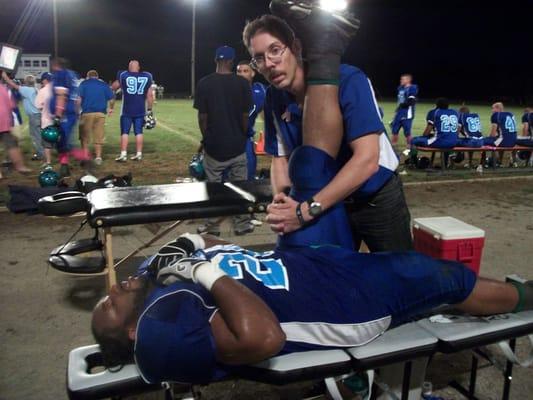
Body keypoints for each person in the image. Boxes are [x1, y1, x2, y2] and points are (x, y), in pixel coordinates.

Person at [91, 232, 533, 384]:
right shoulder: (161, 330)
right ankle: (526, 297)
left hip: (307, 269)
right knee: (444, 279)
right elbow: (263, 337)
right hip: (342, 305)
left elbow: (202, 242)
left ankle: (509, 291)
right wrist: (198, 271)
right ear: (130, 332)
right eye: (109, 307)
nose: (112, 291)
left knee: (424, 272)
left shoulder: (152, 283)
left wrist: (187, 251)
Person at [243, 7, 412, 252]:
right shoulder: (273, 97)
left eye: (275, 50)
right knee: (334, 277)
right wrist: (283, 199)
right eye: (259, 57)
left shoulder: (349, 79)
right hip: (325, 202)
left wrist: (304, 211)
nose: (268, 63)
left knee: (399, 276)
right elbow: (279, 158)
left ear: (297, 47)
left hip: (374, 197)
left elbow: (367, 161)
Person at [193, 46, 253, 236]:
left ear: (215, 60)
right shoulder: (243, 84)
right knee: (240, 188)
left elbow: (202, 117)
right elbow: (245, 116)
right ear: (231, 61)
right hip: (237, 144)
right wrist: (243, 133)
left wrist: (206, 137)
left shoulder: (204, 83)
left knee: (213, 189)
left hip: (214, 145)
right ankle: (241, 224)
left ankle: (213, 226)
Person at [49, 57, 84, 178]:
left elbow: (61, 95)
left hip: (64, 114)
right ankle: (65, 166)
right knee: (64, 142)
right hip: (71, 113)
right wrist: (77, 111)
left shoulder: (61, 74)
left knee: (63, 142)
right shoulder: (72, 75)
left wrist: (58, 115)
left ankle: (85, 159)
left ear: (56, 65)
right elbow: (78, 97)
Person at [112, 60, 154, 162]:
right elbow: (150, 95)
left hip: (127, 109)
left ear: (129, 67)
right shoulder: (147, 76)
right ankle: (139, 154)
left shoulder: (123, 75)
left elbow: (114, 87)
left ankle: (123, 154)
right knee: (139, 132)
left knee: (125, 132)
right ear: (139, 67)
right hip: (140, 109)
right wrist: (149, 110)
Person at [1, 72, 44, 161]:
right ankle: (42, 152)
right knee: (38, 135)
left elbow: (14, 85)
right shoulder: (35, 89)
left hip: (34, 116)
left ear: (26, 82)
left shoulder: (26, 90)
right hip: (38, 114)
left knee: (35, 136)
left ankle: (41, 154)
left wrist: (5, 77)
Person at [236, 60, 267, 181]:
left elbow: (266, 115)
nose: (242, 74)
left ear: (253, 73)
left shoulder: (260, 91)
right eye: (239, 71)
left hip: (246, 140)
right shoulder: (228, 89)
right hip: (228, 139)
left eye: (245, 71)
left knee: (249, 177)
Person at [77, 70, 114, 165]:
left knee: (84, 137)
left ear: (88, 76)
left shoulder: (84, 84)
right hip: (100, 114)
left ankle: (85, 157)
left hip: (87, 113)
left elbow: (79, 99)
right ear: (97, 76)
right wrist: (111, 109)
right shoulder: (103, 85)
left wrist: (77, 111)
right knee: (98, 136)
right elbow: (111, 99)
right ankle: (98, 157)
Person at [0, 82, 30, 178]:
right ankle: (20, 166)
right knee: (12, 145)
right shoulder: (3, 88)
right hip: (5, 121)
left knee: (11, 144)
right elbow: (11, 105)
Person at [480, 102, 517, 169]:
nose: (492, 110)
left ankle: (483, 163)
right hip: (514, 141)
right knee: (498, 139)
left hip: (504, 141)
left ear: (498, 108)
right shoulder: (511, 114)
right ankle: (500, 161)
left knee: (482, 141)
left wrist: (489, 138)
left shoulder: (496, 115)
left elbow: (493, 133)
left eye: (493, 108)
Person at [391, 74, 418, 146]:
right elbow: (400, 100)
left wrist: (403, 105)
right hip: (399, 112)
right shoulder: (400, 88)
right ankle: (393, 146)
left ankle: (409, 148)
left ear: (408, 80)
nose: (401, 81)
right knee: (394, 130)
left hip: (407, 114)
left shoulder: (412, 88)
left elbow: (412, 101)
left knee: (407, 132)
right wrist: (397, 110)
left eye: (403, 79)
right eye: (401, 79)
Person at [34, 72, 54, 166]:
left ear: (45, 80)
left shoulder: (43, 90)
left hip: (47, 121)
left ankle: (48, 162)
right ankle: (64, 162)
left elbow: (38, 105)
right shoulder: (57, 89)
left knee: (47, 143)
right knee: (61, 142)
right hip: (59, 120)